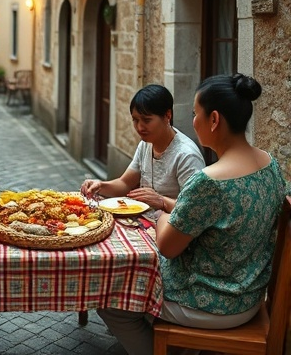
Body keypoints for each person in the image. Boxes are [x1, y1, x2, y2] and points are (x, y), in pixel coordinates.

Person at [97, 73, 288, 355]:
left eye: (195, 113)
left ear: (214, 119)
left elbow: (168, 247)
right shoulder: (270, 165)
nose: (193, 121)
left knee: (112, 298)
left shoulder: (208, 181)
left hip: (211, 302)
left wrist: (162, 209)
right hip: (249, 296)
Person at [81, 84, 205, 215]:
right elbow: (125, 183)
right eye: (135, 120)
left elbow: (196, 210)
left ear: (167, 115)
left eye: (147, 120)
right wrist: (100, 186)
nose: (140, 127)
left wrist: (161, 201)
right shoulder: (146, 144)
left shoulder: (186, 155)